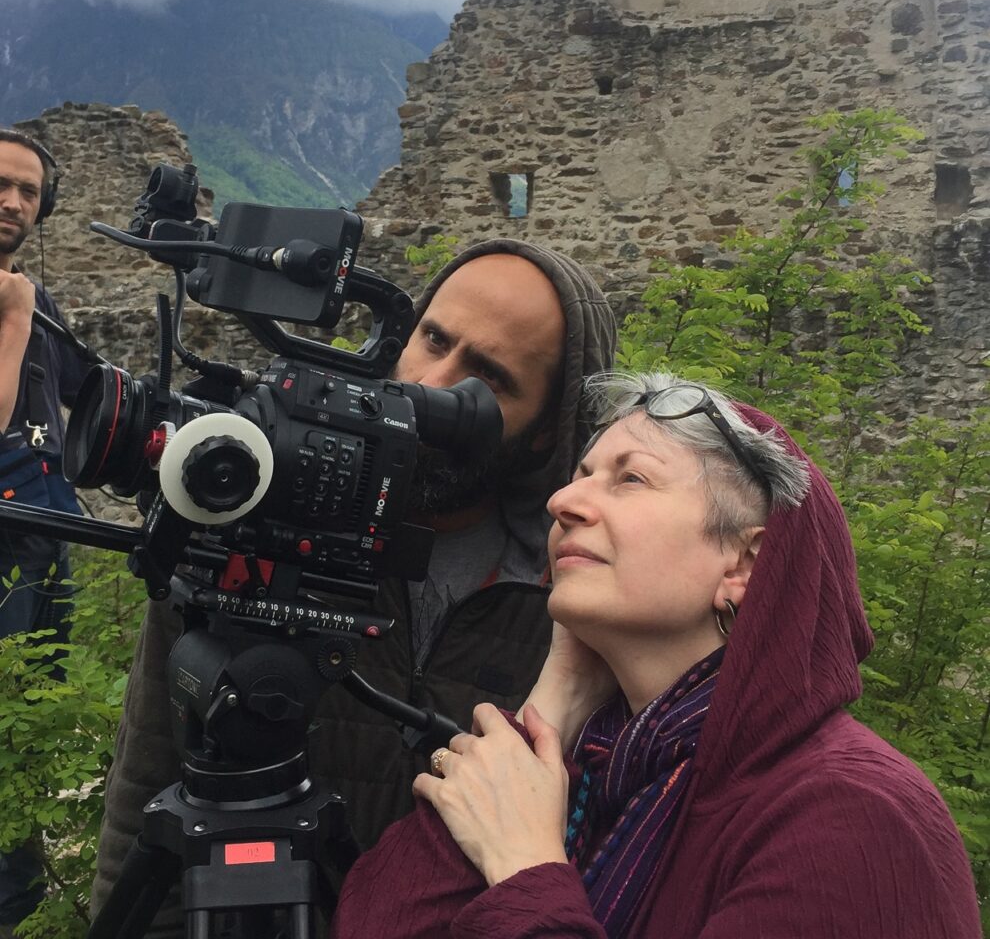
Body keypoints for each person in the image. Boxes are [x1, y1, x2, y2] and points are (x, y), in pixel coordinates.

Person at [331, 370, 983, 939]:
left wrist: (527, 874)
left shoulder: (854, 817)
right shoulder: (590, 774)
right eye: (580, 475)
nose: (562, 502)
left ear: (745, 561)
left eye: (631, 478)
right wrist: (553, 704)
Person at [91, 239, 618, 932]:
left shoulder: (572, 607)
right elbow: (146, 795)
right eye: (433, 338)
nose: (430, 382)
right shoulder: (248, 528)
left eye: (487, 377)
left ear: (549, 433)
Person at [0, 128, 89, 930]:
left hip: (44, 539)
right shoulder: (19, 301)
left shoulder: (32, 296)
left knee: (32, 720)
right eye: (2, 185)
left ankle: (22, 893)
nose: (13, 203)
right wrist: (17, 311)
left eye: (29, 192)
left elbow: (89, 396)